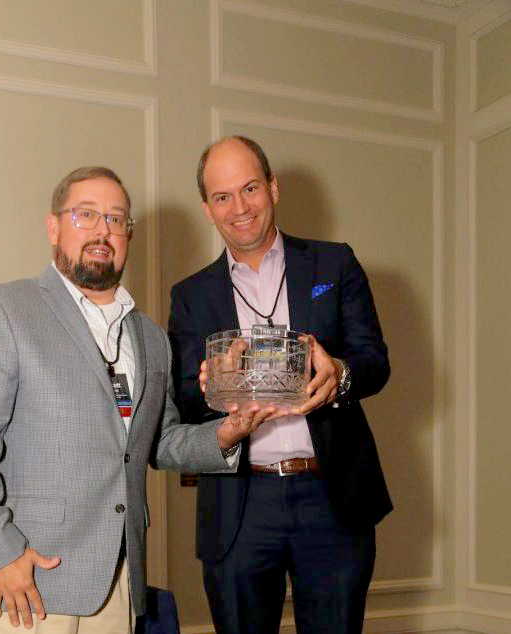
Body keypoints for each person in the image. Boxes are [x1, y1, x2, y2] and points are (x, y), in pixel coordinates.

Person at [0, 166, 274, 633]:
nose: (103, 230)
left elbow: (157, 442)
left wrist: (226, 432)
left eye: (117, 219)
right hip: (24, 583)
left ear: (129, 235)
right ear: (53, 226)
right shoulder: (5, 309)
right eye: (86, 215)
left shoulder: (152, 338)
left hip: (117, 585)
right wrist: (0, 555)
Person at [168, 137, 393, 634]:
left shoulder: (334, 264)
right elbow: (184, 400)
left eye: (249, 188)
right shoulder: (189, 296)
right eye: (222, 197)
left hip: (331, 496)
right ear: (207, 209)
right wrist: (211, 390)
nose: (239, 207)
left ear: (272, 187)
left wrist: (338, 374)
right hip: (239, 505)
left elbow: (374, 361)